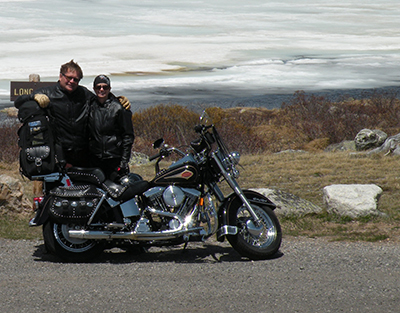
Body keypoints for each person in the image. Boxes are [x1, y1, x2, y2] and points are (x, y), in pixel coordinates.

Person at [14, 60, 131, 167]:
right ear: (60, 76)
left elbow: (101, 99)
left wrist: (118, 100)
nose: (72, 81)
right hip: (58, 152)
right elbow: (18, 102)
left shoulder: (83, 93)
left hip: (83, 152)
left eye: (76, 79)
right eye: (69, 78)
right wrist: (33, 96)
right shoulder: (48, 93)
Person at [88, 75, 134, 180]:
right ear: (94, 89)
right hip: (94, 160)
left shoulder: (119, 108)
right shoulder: (90, 107)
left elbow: (128, 137)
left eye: (105, 87)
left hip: (114, 159)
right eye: (98, 87)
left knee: (117, 191)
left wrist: (123, 162)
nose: (101, 89)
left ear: (109, 89)